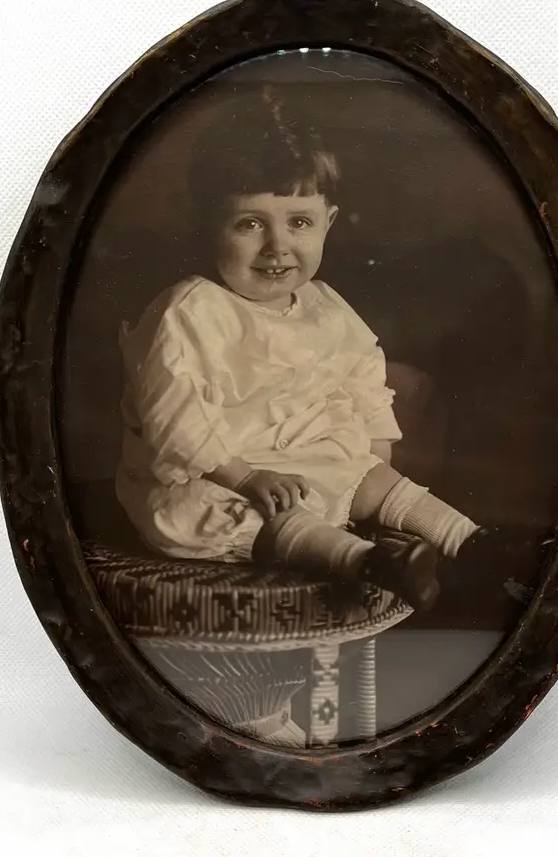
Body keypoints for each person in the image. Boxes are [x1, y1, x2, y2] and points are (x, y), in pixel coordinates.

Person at [114, 84, 482, 610]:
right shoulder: (189, 312)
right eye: (249, 224)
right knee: (228, 513)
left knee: (370, 475)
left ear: (328, 223)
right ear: (206, 224)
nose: (277, 247)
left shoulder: (323, 305)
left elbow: (362, 380)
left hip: (302, 462)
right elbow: (175, 419)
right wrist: (246, 476)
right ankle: (369, 563)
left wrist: (374, 455)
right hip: (215, 474)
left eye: (299, 223)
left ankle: (468, 542)